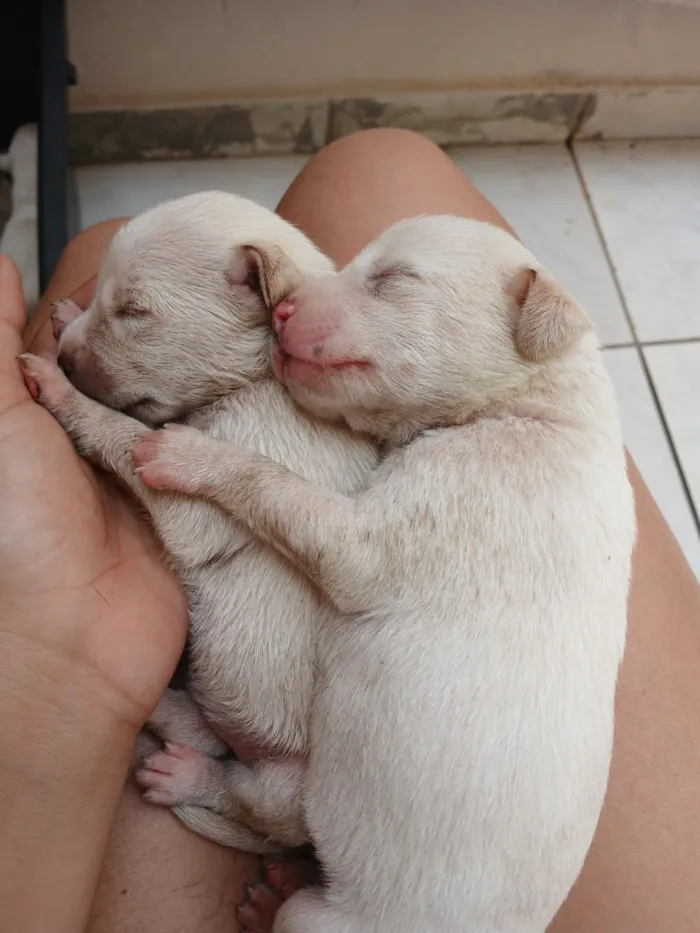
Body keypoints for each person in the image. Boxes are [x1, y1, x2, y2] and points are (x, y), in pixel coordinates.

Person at [2, 128, 699, 933]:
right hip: (386, 797)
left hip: (359, 858)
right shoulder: (527, 465)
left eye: (389, 282)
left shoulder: (489, 454)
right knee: (379, 164)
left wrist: (206, 463)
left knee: (112, 242)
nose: (302, 302)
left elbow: (354, 557)